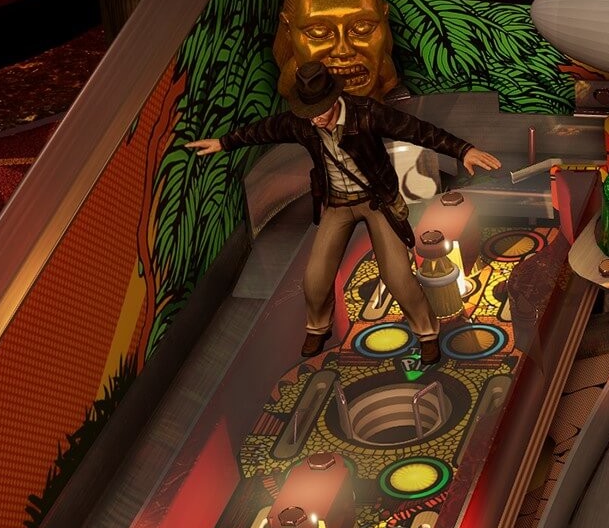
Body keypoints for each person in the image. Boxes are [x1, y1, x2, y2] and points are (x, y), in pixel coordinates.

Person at [186, 62, 502, 364]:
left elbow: (416, 130)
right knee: (315, 277)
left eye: (319, 112)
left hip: (376, 201)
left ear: (333, 100)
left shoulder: (365, 113)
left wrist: (463, 150)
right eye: (309, 114)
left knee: (397, 276)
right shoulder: (303, 123)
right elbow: (265, 130)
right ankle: (318, 328)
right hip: (337, 204)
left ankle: (427, 333)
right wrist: (224, 142)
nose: (315, 120)